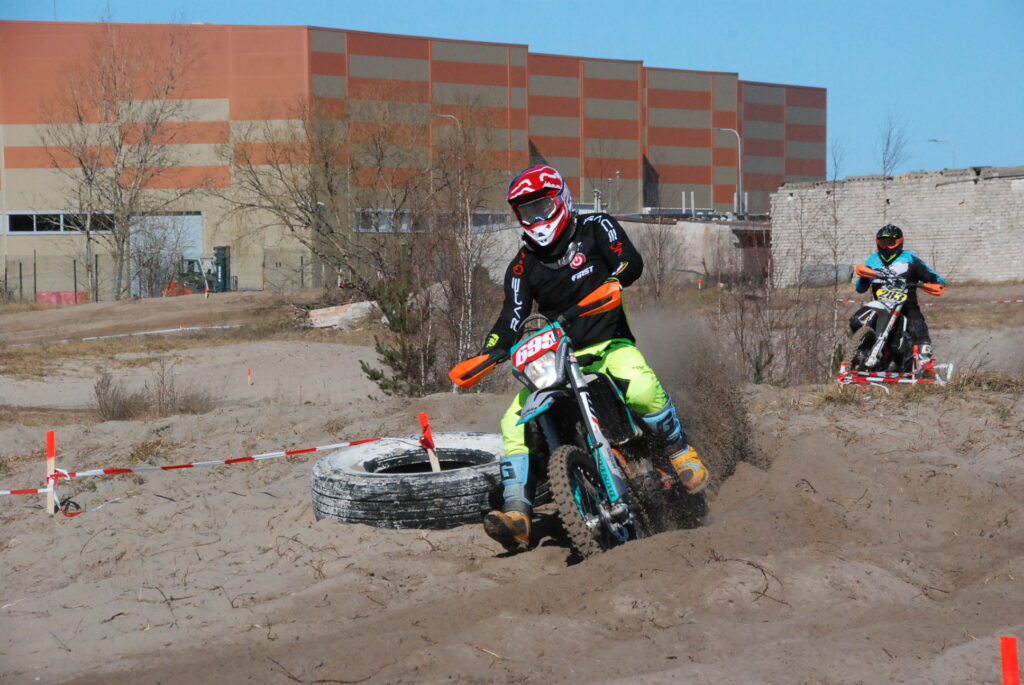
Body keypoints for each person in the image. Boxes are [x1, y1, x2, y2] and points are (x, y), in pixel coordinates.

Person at [476, 164, 707, 551]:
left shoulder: (596, 226)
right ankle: (517, 512)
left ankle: (679, 450)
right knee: (513, 420)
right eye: (527, 211)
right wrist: (490, 350)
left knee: (641, 387)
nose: (537, 217)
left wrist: (615, 278)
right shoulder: (521, 265)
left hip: (608, 345)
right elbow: (512, 317)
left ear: (561, 200)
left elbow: (629, 260)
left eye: (542, 206)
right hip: (556, 359)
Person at [853, 224, 945, 362]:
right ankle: (863, 351)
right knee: (856, 320)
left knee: (918, 327)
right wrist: (864, 278)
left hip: (906, 306)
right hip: (880, 305)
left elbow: (933, 276)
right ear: (877, 243)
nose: (886, 247)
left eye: (891, 243)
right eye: (883, 243)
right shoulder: (873, 260)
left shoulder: (910, 258)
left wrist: (936, 283)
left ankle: (924, 359)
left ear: (899, 242)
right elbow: (860, 288)